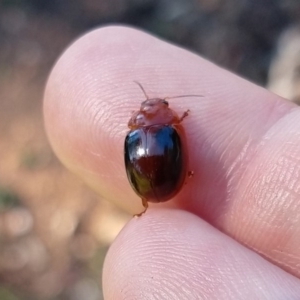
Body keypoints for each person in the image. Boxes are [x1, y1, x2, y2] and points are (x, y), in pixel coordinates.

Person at [44, 26, 300, 299]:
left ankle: (146, 203)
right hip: (170, 182)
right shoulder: (171, 126)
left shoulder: (136, 133)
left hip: (152, 187)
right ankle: (160, 192)